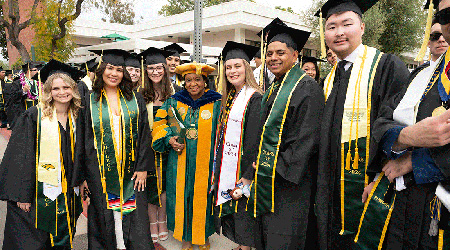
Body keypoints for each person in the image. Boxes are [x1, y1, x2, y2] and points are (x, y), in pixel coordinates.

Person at [314, 0, 411, 249]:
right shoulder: (329, 79)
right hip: (330, 189)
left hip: (371, 186)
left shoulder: (387, 67)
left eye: (347, 24)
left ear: (363, 27)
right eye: (331, 26)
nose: (339, 32)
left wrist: (378, 176)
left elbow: (400, 127)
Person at [355, 0, 450, 248]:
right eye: (445, 14)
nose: (442, 36)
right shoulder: (421, 76)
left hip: (441, 208)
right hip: (404, 202)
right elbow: (383, 121)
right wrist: (407, 136)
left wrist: (415, 161)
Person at [245, 21, 324, 249]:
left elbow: (306, 141)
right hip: (270, 178)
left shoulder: (307, 88)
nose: (273, 58)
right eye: (269, 53)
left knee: (285, 237)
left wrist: (272, 167)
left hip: (291, 183)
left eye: (280, 53)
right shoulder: (275, 87)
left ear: (295, 55)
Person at [73, 49, 155, 250]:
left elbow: (145, 135)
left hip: (132, 172)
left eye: (119, 69)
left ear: (124, 74)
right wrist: (82, 176)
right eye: (110, 68)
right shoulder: (89, 101)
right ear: (102, 70)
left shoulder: (135, 99)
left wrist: (143, 167)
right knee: (104, 218)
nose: (114, 73)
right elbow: (82, 140)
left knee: (134, 219)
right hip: (99, 172)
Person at [0, 59, 85, 249]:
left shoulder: (77, 116)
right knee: (37, 238)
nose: (62, 92)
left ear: (73, 89)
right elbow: (20, 156)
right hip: (39, 193)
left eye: (66, 87)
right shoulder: (33, 116)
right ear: (48, 91)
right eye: (56, 89)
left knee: (64, 232)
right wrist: (22, 194)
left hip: (68, 188)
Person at [152, 62, 221, 250]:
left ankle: (202, 235)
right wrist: (169, 139)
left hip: (205, 162)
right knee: (181, 198)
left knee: (203, 197)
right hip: (179, 160)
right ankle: (185, 237)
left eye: (197, 79)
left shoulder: (216, 103)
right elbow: (159, 123)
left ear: (205, 81)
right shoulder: (174, 101)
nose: (192, 84)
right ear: (183, 82)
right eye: (188, 80)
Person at [213, 41, 262, 250]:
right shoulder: (230, 96)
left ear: (247, 68)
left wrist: (247, 176)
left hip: (244, 169)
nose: (232, 71)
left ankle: (246, 247)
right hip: (230, 164)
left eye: (237, 66)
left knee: (244, 208)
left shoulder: (254, 97)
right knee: (236, 209)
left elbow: (254, 139)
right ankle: (242, 246)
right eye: (228, 67)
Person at [138, 46, 176, 246]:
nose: (155, 71)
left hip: (169, 149)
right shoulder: (140, 95)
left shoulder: (174, 94)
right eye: (150, 68)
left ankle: (163, 221)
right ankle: (153, 224)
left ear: (165, 69)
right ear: (146, 71)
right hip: (147, 150)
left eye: (159, 67)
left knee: (166, 188)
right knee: (151, 188)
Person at [6, 62, 41, 129]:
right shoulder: (18, 83)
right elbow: (12, 98)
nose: (37, 71)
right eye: (35, 70)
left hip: (37, 113)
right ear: (28, 71)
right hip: (24, 113)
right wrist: (23, 91)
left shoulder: (38, 82)